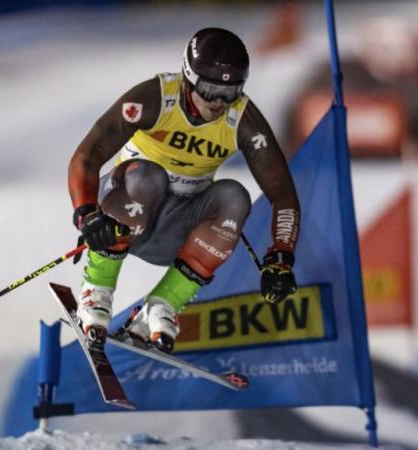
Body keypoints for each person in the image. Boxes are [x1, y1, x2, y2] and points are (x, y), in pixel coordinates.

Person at [68, 28, 300, 352]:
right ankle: (97, 289)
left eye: (230, 91)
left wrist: (281, 256)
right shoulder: (154, 98)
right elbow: (86, 156)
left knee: (234, 196)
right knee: (149, 177)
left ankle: (163, 305)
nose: (219, 102)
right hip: (122, 212)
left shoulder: (242, 119)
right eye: (209, 89)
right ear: (188, 79)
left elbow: (283, 193)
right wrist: (86, 212)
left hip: (175, 230)